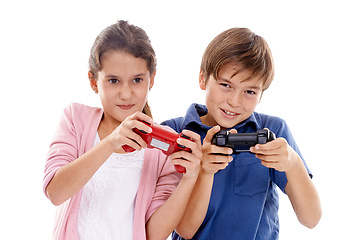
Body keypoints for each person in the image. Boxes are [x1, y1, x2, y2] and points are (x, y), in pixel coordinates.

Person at [43, 20, 202, 240]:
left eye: (137, 80)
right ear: (93, 81)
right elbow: (55, 193)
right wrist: (110, 143)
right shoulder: (75, 119)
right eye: (114, 81)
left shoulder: (162, 147)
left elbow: (155, 234)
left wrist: (189, 178)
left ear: (151, 80)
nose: (126, 94)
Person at [162, 27, 322, 239]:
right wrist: (203, 172)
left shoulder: (274, 131)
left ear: (261, 94)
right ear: (202, 79)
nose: (235, 102)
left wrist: (293, 162)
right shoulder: (174, 133)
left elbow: (311, 219)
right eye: (225, 85)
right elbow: (184, 230)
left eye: (249, 91)